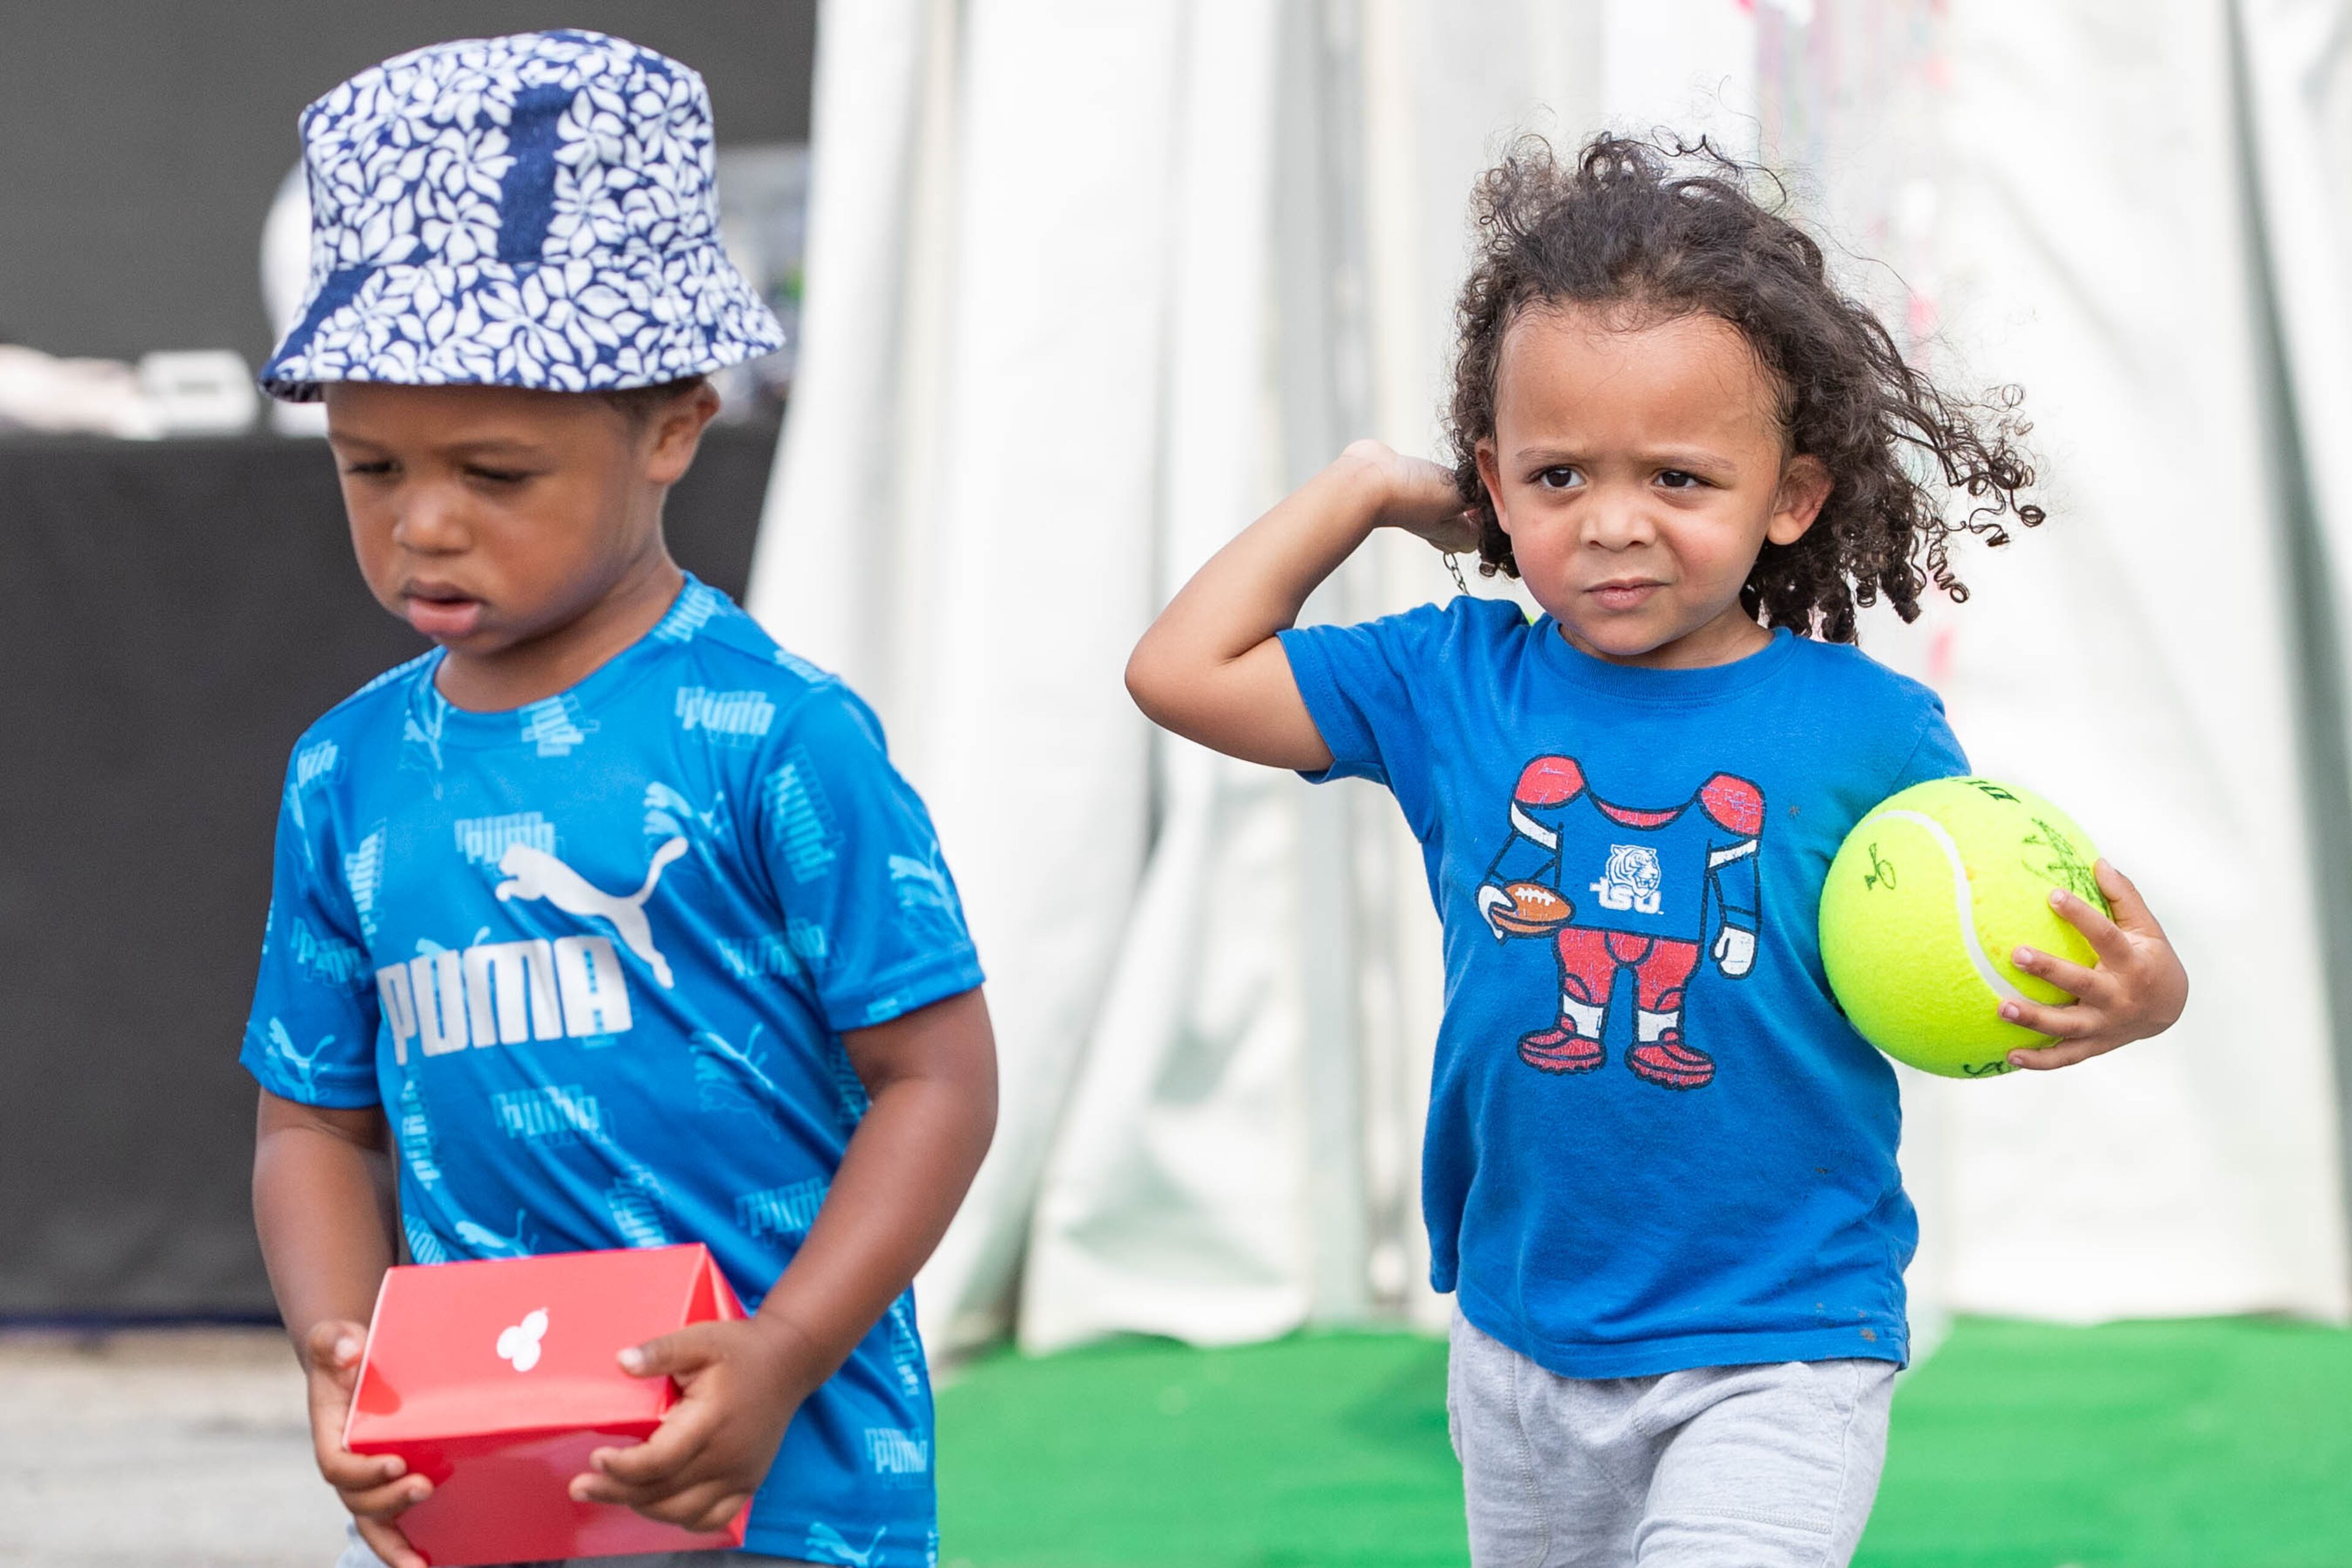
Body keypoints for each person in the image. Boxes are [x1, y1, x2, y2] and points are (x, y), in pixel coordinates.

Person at [1125, 134, 2189, 1567]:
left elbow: (1988, 929)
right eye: (1559, 474)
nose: (1614, 522)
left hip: (1784, 1334)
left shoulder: (1869, 728)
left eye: (1681, 477)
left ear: (1791, 496)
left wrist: (2146, 994)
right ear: (1492, 484)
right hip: (1522, 1334)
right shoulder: (1453, 681)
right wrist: (1365, 488)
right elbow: (1181, 669)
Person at [241, 32, 995, 1568]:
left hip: (784, 1496)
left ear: (672, 424)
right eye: (371, 465)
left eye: (495, 472)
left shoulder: (780, 737)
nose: (423, 521)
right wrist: (345, 1356)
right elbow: (312, 1121)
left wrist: (782, 1351)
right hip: (482, 1489)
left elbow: (938, 1080)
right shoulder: (344, 770)